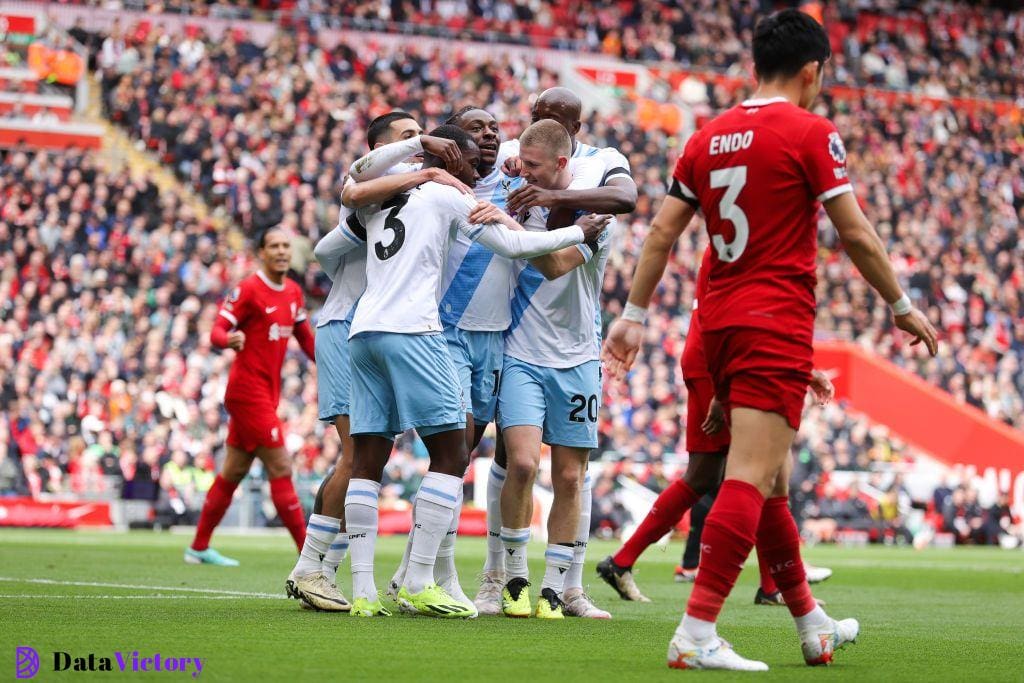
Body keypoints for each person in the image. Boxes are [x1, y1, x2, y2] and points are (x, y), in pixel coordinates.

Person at [602, 9, 937, 670]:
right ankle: (697, 629)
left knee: (774, 479)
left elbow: (663, 232)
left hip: (718, 322)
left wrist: (634, 312)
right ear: (812, 73)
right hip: (773, 316)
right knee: (750, 475)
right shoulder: (810, 131)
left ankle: (811, 623)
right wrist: (899, 304)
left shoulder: (707, 135)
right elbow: (858, 233)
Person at [334, 124, 608, 618]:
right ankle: (419, 579)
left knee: (367, 459)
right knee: (452, 451)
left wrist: (422, 153)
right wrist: (578, 232)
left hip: (364, 331)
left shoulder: (379, 196)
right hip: (417, 330)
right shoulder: (448, 195)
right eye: (465, 150)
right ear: (453, 158)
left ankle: (364, 593)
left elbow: (352, 180)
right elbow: (518, 249)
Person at [285, 111, 469, 612]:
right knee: (356, 456)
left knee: (370, 456)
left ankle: (325, 571)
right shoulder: (374, 194)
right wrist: (423, 163)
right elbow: (325, 248)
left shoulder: (412, 197)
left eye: (421, 135)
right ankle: (312, 567)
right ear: (381, 146)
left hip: (376, 327)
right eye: (407, 136)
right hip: (349, 324)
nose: (418, 142)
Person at [476, 87, 638, 618]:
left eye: (537, 170)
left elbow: (554, 262)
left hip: (577, 356)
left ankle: (562, 587)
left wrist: (522, 220)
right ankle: (509, 578)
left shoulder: (592, 203)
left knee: (571, 476)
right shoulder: (519, 172)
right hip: (520, 347)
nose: (525, 177)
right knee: (519, 461)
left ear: (570, 144)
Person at [597, 251, 834, 605]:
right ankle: (771, 587)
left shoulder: (734, 233)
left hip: (711, 354)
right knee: (765, 468)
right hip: (721, 358)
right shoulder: (749, 236)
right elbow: (738, 313)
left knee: (705, 476)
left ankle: (622, 560)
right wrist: (724, 388)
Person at [185, 226, 316, 566]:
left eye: (286, 245)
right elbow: (216, 329)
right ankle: (308, 556)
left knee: (233, 471)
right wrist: (226, 340)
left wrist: (337, 364)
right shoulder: (248, 289)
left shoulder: (292, 292)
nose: (282, 251)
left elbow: (306, 340)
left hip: (266, 394)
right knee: (281, 465)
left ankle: (198, 548)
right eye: (274, 245)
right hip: (247, 393)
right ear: (262, 252)